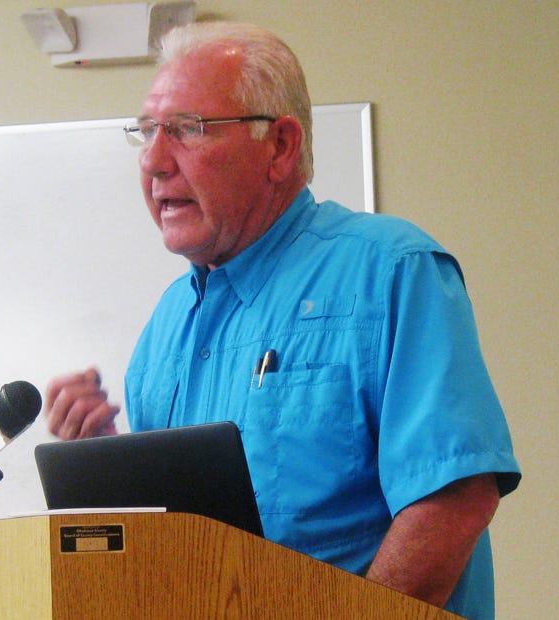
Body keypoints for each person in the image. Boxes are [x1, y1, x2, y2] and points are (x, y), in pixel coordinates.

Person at [44, 21, 520, 620]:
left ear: (280, 146)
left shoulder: (391, 272)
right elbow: (183, 553)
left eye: (187, 130)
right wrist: (109, 475)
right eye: (146, 133)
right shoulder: (165, 327)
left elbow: (452, 501)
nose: (156, 162)